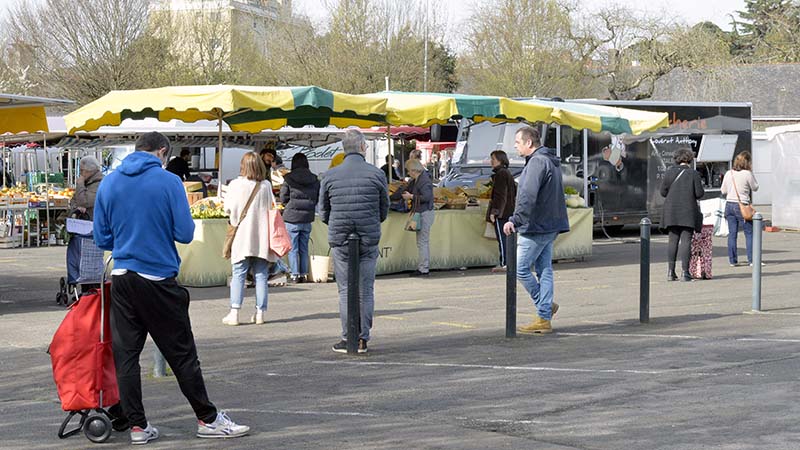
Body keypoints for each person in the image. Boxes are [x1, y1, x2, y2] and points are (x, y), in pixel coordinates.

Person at [93, 132, 249, 444]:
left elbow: (102, 238)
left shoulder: (109, 182)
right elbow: (185, 233)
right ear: (163, 152)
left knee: (126, 355)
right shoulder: (168, 182)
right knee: (181, 353)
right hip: (157, 277)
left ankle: (137, 426)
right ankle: (207, 419)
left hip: (122, 274)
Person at [319, 129, 388, 354]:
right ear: (362, 147)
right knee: (366, 290)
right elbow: (383, 208)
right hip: (368, 235)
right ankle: (362, 338)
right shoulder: (377, 174)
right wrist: (372, 221)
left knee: (345, 290)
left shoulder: (330, 175)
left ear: (343, 149)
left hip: (340, 236)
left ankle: (348, 336)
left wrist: (335, 223)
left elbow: (324, 211)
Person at [503, 126, 569, 334]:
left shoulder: (537, 162)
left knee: (519, 268)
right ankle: (544, 314)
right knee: (544, 269)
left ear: (529, 143)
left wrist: (516, 219)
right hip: (550, 223)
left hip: (536, 225)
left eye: (518, 143)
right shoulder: (549, 160)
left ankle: (544, 310)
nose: (515, 147)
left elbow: (527, 195)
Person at [222, 152, 276, 326]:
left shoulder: (235, 185)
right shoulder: (266, 185)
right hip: (262, 237)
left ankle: (234, 313)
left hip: (241, 237)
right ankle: (260, 313)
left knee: (239, 274)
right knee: (261, 275)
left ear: (243, 165)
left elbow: (228, 210)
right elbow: (272, 207)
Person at [660, 148, 705, 281]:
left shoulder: (669, 173)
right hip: (688, 211)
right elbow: (699, 194)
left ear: (676, 159)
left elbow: (663, 192)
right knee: (686, 241)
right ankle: (685, 273)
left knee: (672, 241)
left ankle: (670, 272)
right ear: (690, 159)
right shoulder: (694, 174)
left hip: (671, 211)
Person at [65, 155, 104, 291]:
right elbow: (74, 201)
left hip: (92, 228)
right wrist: (76, 206)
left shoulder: (98, 184)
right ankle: (82, 285)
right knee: (77, 256)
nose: (80, 174)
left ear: (89, 171)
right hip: (82, 228)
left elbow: (84, 201)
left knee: (89, 260)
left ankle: (89, 289)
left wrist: (80, 184)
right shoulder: (90, 183)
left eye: (82, 171)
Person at [280, 152, 320, 283]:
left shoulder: (288, 178)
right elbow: (317, 197)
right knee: (304, 247)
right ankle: (304, 273)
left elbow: (283, 198)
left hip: (292, 217)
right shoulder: (314, 178)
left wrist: (289, 205)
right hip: (307, 217)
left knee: (293, 248)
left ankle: (294, 274)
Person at [392, 158, 435, 277]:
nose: (408, 173)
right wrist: (391, 196)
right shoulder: (416, 180)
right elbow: (405, 189)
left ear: (414, 170)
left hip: (425, 213)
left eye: (408, 171)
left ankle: (424, 269)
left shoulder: (424, 181)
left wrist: (411, 196)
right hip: (421, 212)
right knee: (421, 242)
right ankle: (422, 267)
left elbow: (426, 197)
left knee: (422, 242)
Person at [720, 151, 760, 266]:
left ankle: (733, 261)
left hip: (729, 205)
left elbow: (723, 190)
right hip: (742, 206)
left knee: (732, 234)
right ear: (747, 162)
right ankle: (752, 260)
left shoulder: (729, 173)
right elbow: (755, 187)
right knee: (749, 233)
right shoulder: (747, 174)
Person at [486, 150, 516, 273]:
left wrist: (495, 212)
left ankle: (505, 263)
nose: (491, 161)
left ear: (500, 160)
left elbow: (500, 195)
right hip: (509, 210)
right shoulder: (507, 173)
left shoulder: (500, 174)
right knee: (507, 238)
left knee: (502, 238)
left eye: (493, 159)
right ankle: (508, 262)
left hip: (503, 212)